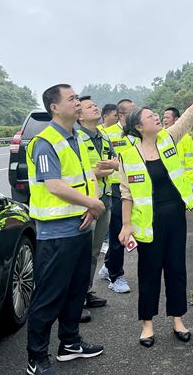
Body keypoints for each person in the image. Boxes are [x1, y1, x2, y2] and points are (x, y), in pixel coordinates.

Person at [118, 75, 193, 347]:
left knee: (176, 269)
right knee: (149, 271)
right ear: (139, 126)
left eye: (156, 115)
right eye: (151, 116)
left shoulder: (168, 139)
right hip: (148, 222)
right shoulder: (127, 156)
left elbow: (188, 116)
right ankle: (148, 324)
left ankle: (178, 319)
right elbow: (126, 194)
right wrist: (126, 225)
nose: (157, 118)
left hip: (175, 215)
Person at [25, 84, 106, 375]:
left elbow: (90, 174)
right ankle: (36, 357)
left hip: (81, 226)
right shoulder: (45, 141)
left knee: (75, 290)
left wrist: (91, 204)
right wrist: (93, 205)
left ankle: (70, 343)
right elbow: (54, 185)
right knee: (49, 295)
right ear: (55, 107)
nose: (78, 102)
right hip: (56, 233)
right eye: (71, 99)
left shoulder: (78, 137)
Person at [77, 96, 119, 309]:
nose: (95, 107)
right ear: (80, 115)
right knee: (81, 251)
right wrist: (100, 170)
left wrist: (111, 166)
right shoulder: (76, 138)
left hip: (105, 198)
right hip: (85, 201)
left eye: (95, 105)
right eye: (89, 106)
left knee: (94, 250)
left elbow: (116, 163)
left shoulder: (103, 136)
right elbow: (76, 173)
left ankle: (86, 291)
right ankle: (75, 299)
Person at [99, 98, 136, 294]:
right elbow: (104, 163)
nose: (136, 114)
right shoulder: (106, 134)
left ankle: (107, 266)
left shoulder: (138, 133)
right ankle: (116, 276)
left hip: (137, 188)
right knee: (117, 233)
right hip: (115, 188)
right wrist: (118, 165)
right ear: (121, 115)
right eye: (132, 111)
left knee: (134, 229)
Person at [162, 107, 193, 191]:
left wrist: (188, 180)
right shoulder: (159, 136)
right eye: (164, 117)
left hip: (181, 181)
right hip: (164, 181)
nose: (164, 120)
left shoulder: (186, 138)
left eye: (167, 118)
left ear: (176, 119)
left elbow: (189, 161)